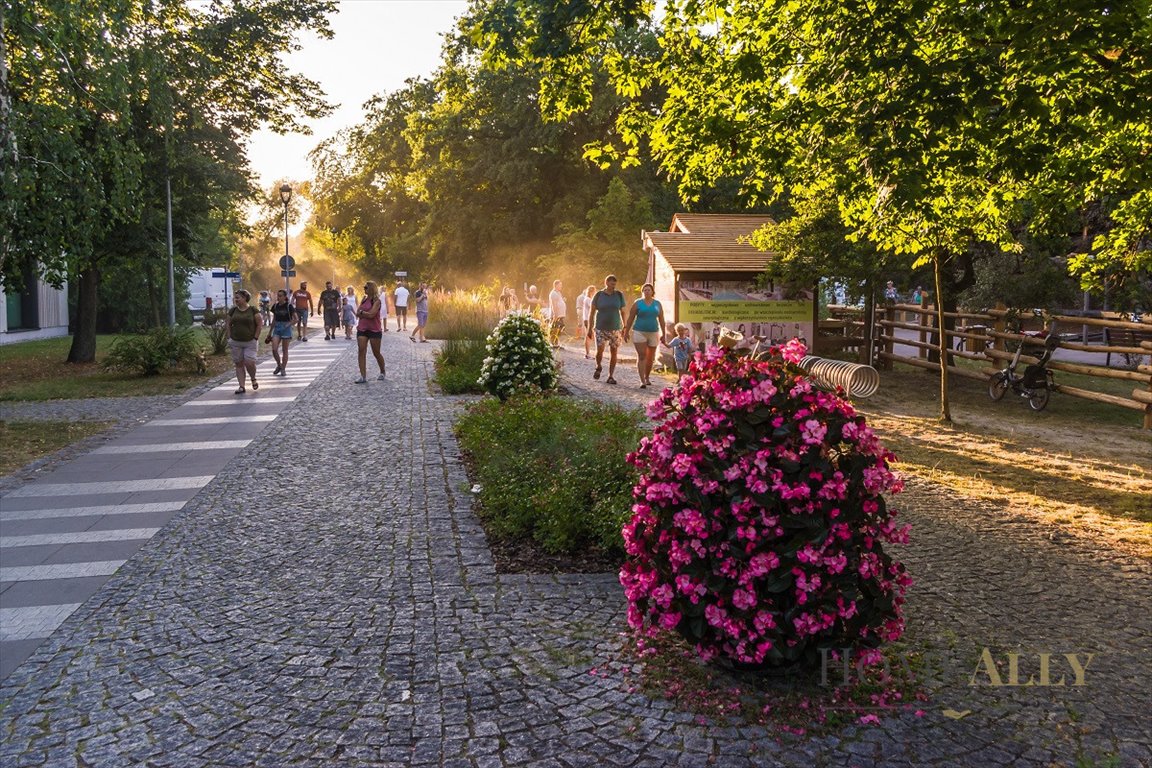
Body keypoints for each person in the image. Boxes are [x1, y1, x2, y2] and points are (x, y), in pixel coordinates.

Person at [623, 283, 667, 388]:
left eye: (649, 290)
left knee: (650, 357)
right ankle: (642, 380)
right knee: (642, 355)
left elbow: (661, 319)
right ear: (642, 292)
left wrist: (664, 334)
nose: (647, 292)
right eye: (645, 290)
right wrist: (626, 331)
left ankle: (647, 377)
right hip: (639, 331)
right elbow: (631, 318)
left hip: (653, 332)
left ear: (652, 292)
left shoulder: (657, 304)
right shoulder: (638, 303)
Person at [586, 274, 627, 385]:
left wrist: (625, 326)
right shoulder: (599, 295)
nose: (613, 286)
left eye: (614, 284)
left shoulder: (619, 295)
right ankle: (598, 366)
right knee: (600, 350)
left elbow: (623, 312)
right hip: (600, 327)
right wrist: (589, 328)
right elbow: (592, 312)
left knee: (614, 352)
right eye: (611, 283)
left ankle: (610, 376)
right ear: (606, 283)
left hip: (615, 328)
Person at [225, 289, 262, 394]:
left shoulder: (253, 310)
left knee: (249, 362)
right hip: (236, 341)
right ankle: (241, 386)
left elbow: (259, 324)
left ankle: (253, 378)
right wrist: (229, 337)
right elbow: (228, 323)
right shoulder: (233, 311)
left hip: (250, 341)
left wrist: (255, 337)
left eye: (238, 297)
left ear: (245, 298)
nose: (235, 299)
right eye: (235, 297)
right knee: (239, 363)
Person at [354, 281, 387, 383]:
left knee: (376, 353)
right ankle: (363, 376)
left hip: (374, 329)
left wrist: (362, 313)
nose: (364, 289)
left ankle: (382, 371)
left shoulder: (377, 301)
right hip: (362, 329)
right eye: (364, 287)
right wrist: (363, 313)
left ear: (372, 289)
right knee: (361, 350)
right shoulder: (364, 299)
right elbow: (357, 313)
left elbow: (372, 314)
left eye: (366, 287)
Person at [265, 289, 295, 376]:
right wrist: (270, 332)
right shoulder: (275, 306)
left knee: (285, 350)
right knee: (274, 349)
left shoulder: (289, 306)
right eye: (278, 295)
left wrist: (288, 325)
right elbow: (274, 319)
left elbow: (295, 319)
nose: (278, 297)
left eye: (280, 295)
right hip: (277, 328)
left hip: (286, 328)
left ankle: (283, 368)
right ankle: (279, 365)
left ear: (285, 297)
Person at [576, 285, 595, 359]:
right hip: (587, 319)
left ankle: (588, 353)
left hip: (587, 319)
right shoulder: (588, 299)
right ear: (591, 292)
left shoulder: (588, 299)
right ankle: (587, 354)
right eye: (594, 292)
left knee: (589, 336)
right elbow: (593, 307)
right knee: (588, 336)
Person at [547, 279, 566, 349]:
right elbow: (553, 304)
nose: (561, 286)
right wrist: (555, 314)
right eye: (560, 285)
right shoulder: (553, 293)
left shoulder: (558, 293)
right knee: (554, 328)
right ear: (556, 285)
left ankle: (556, 342)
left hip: (560, 314)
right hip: (556, 314)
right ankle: (553, 343)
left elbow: (559, 301)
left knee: (559, 328)